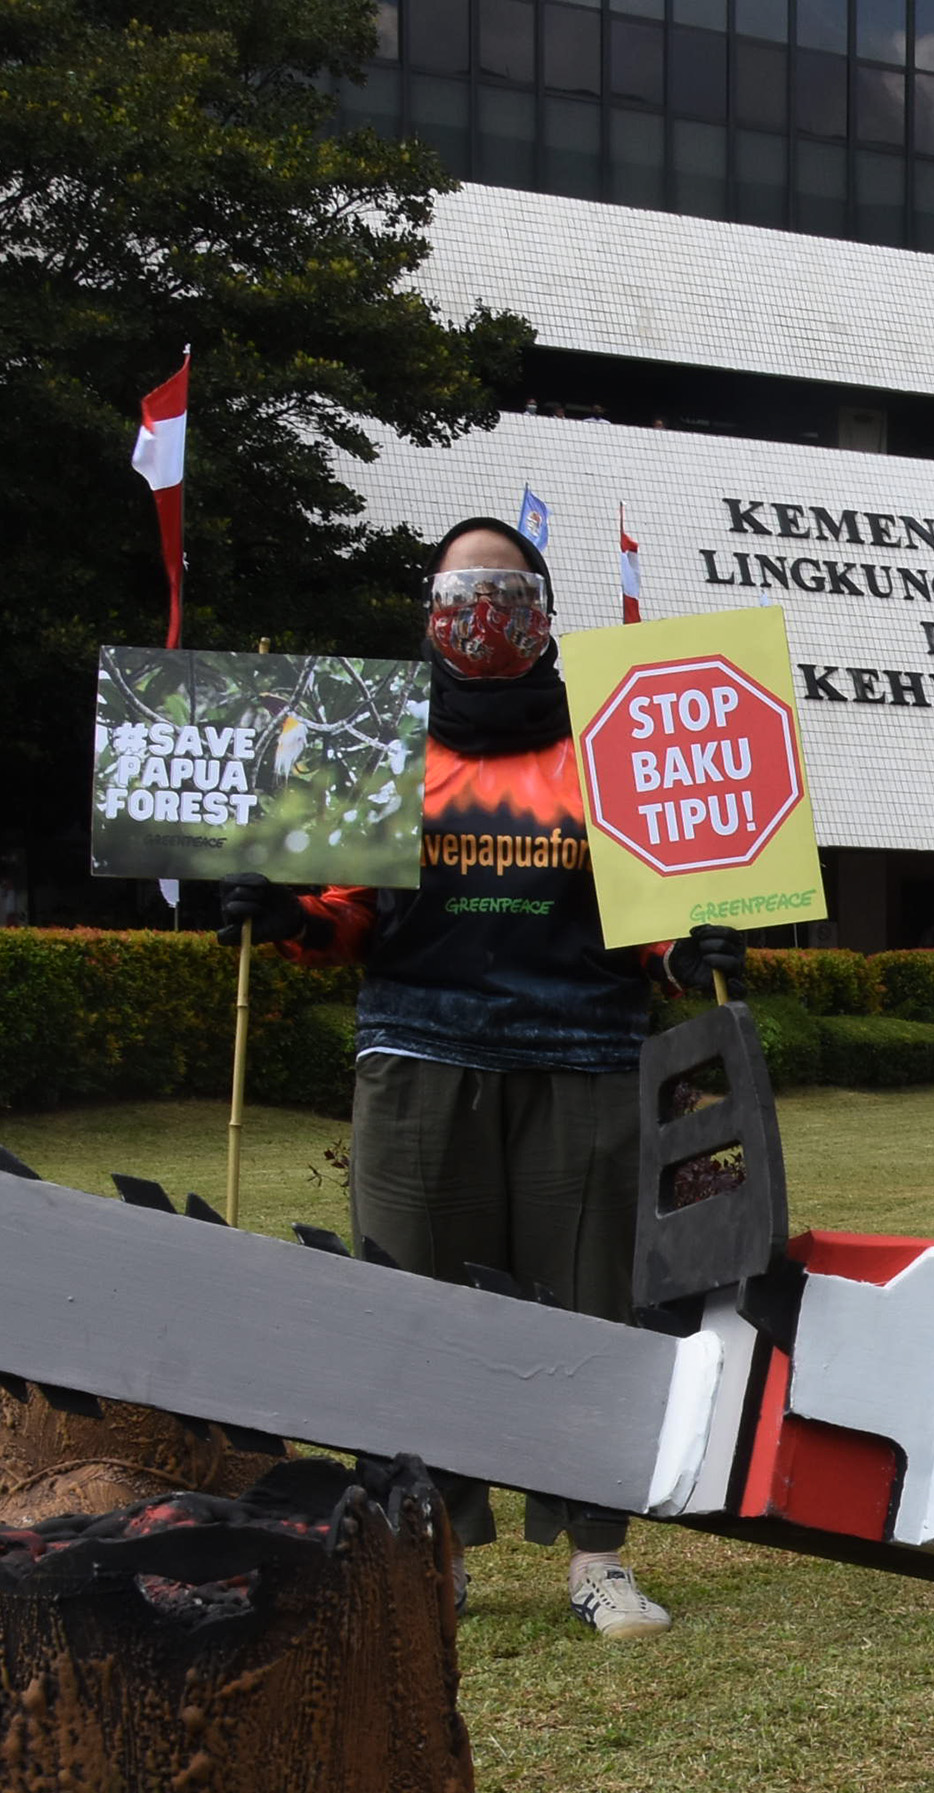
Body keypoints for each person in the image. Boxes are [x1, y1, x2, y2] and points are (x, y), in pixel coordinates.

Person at [220, 517, 742, 1639]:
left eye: (504, 594)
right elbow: (348, 915)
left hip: (587, 1051)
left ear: (545, 613)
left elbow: (653, 906)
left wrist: (686, 949)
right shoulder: (377, 740)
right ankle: (430, 1546)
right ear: (429, 615)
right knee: (411, 1302)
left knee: (592, 1306)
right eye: (459, 596)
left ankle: (597, 1555)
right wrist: (287, 914)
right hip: (420, 1049)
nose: (481, 618)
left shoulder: (615, 739)